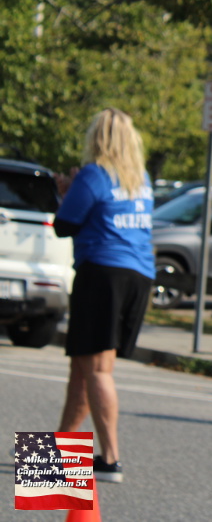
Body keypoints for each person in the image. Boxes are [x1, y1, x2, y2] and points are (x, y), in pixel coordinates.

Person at [52, 108, 155, 483]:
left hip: (102, 273)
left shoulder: (94, 174)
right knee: (82, 367)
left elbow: (64, 224)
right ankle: (59, 451)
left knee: (96, 369)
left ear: (97, 138)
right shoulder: (140, 178)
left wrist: (65, 194)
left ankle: (110, 459)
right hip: (138, 275)